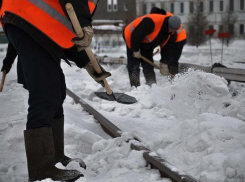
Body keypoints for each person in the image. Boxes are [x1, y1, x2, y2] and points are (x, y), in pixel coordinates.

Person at [0, 0, 111, 181]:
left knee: (56, 91)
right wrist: (85, 24)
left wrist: (88, 63)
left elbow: (65, 33)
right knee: (45, 94)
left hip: (37, 25)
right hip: (28, 19)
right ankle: (41, 169)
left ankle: (54, 156)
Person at [123, 13, 181, 87]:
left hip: (147, 42)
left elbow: (167, 48)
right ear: (168, 24)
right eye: (171, 28)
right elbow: (136, 34)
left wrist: (164, 62)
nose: (172, 31)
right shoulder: (151, 22)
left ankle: (152, 86)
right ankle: (135, 87)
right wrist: (135, 50)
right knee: (134, 65)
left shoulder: (172, 33)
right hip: (131, 36)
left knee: (148, 65)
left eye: (174, 29)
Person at [150, 7, 187, 76]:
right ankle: (170, 73)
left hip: (179, 40)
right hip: (176, 38)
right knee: (169, 58)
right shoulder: (165, 16)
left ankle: (173, 75)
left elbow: (167, 34)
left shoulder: (166, 18)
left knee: (173, 59)